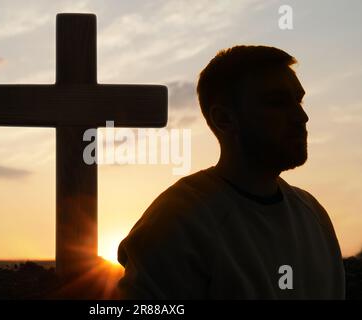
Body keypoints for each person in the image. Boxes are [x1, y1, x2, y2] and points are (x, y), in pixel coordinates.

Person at [117, 45, 345, 299]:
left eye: (298, 100)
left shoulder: (313, 214)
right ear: (224, 119)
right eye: (277, 103)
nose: (301, 116)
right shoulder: (176, 221)